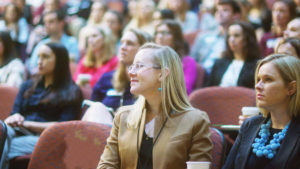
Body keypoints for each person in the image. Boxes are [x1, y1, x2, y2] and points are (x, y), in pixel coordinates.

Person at [97, 43, 212, 169]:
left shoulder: (196, 121)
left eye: (139, 66)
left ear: (162, 74)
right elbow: (106, 166)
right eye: (132, 66)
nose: (131, 73)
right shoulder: (123, 116)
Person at [0, 42, 83, 169]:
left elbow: (63, 128)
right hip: (19, 131)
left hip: (47, 138)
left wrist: (26, 124)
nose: (39, 61)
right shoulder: (28, 85)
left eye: (45, 57)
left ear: (59, 60)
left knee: (3, 144)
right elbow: (15, 113)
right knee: (3, 131)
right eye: (39, 57)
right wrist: (15, 117)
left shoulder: (72, 91)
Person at [223, 54, 300, 169]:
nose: (257, 86)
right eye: (258, 79)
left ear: (291, 88)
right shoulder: (250, 125)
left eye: (268, 79)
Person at [82, 28, 152, 124]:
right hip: (103, 131)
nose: (123, 47)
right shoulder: (107, 78)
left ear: (143, 50)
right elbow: (89, 113)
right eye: (121, 42)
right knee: (97, 108)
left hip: (133, 132)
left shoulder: (152, 83)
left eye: (130, 43)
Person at [191, 0, 241, 74]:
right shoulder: (203, 36)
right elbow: (191, 60)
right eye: (217, 10)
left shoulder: (237, 39)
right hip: (200, 74)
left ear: (235, 16)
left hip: (222, 75)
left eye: (225, 10)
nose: (220, 13)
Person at [207, 21, 260, 88]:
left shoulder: (257, 65)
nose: (231, 39)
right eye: (229, 36)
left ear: (247, 39)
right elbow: (208, 89)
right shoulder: (219, 62)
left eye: (236, 36)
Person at [155, 19, 198, 94]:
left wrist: (158, 90)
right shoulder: (151, 59)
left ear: (176, 37)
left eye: (164, 33)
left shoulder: (188, 62)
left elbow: (184, 89)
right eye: (157, 33)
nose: (160, 36)